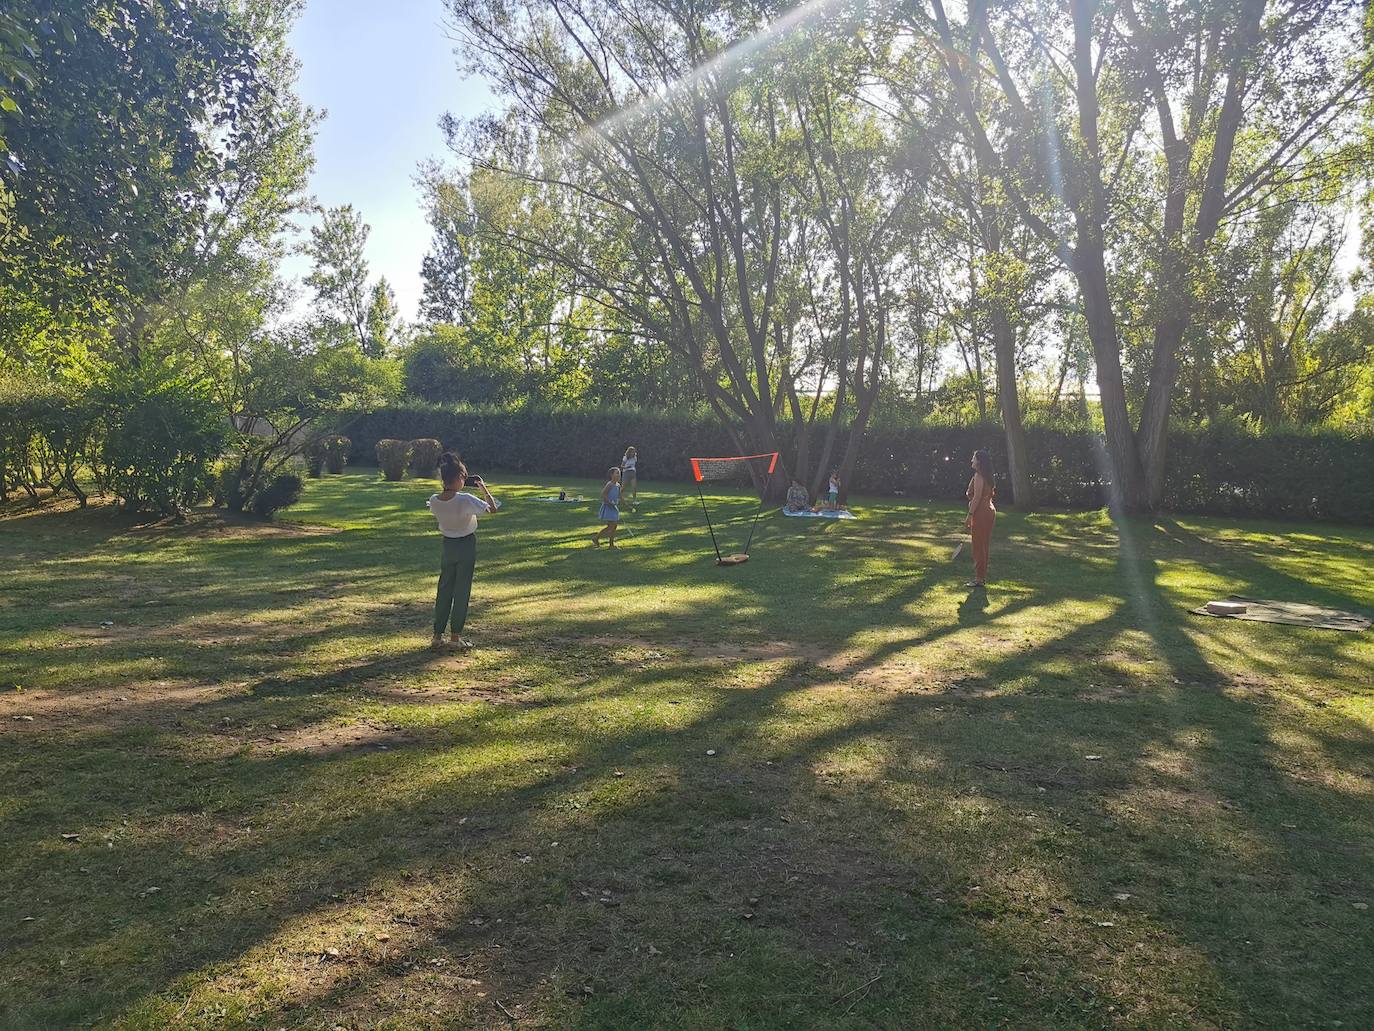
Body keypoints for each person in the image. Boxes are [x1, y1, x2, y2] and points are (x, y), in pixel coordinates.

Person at [426, 452, 498, 652]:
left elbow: (437, 507)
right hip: (465, 545)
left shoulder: (434, 500)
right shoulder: (465, 499)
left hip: (447, 546)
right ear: (458, 478)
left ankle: (437, 634)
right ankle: (455, 636)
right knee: (461, 590)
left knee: (444, 589)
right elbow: (492, 509)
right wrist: (483, 488)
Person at [965, 449, 997, 588]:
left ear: (979, 461)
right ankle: (981, 577)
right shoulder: (987, 476)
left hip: (982, 512)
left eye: (974, 457)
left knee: (978, 546)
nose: (971, 460)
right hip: (989, 511)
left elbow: (977, 497)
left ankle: (979, 579)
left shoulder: (979, 476)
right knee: (983, 546)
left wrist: (970, 515)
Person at [592, 466, 622, 548]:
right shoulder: (610, 484)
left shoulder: (618, 485)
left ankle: (596, 538)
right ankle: (611, 545)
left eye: (619, 473)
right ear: (611, 475)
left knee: (612, 526)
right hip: (608, 507)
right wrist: (609, 502)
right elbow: (603, 494)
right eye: (617, 473)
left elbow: (619, 496)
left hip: (614, 507)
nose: (619, 475)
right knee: (613, 525)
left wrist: (624, 504)